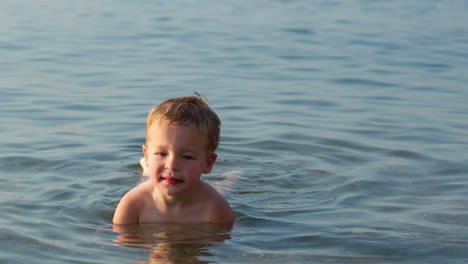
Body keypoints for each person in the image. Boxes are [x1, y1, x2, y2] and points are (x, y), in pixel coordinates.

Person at [113, 93, 235, 225]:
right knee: (145, 180)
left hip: (203, 192)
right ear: (147, 155)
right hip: (148, 188)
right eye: (162, 154)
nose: (172, 165)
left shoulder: (215, 207)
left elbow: (225, 241)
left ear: (208, 163)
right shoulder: (133, 203)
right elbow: (116, 240)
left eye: (187, 157)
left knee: (227, 188)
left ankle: (235, 178)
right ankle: (147, 170)